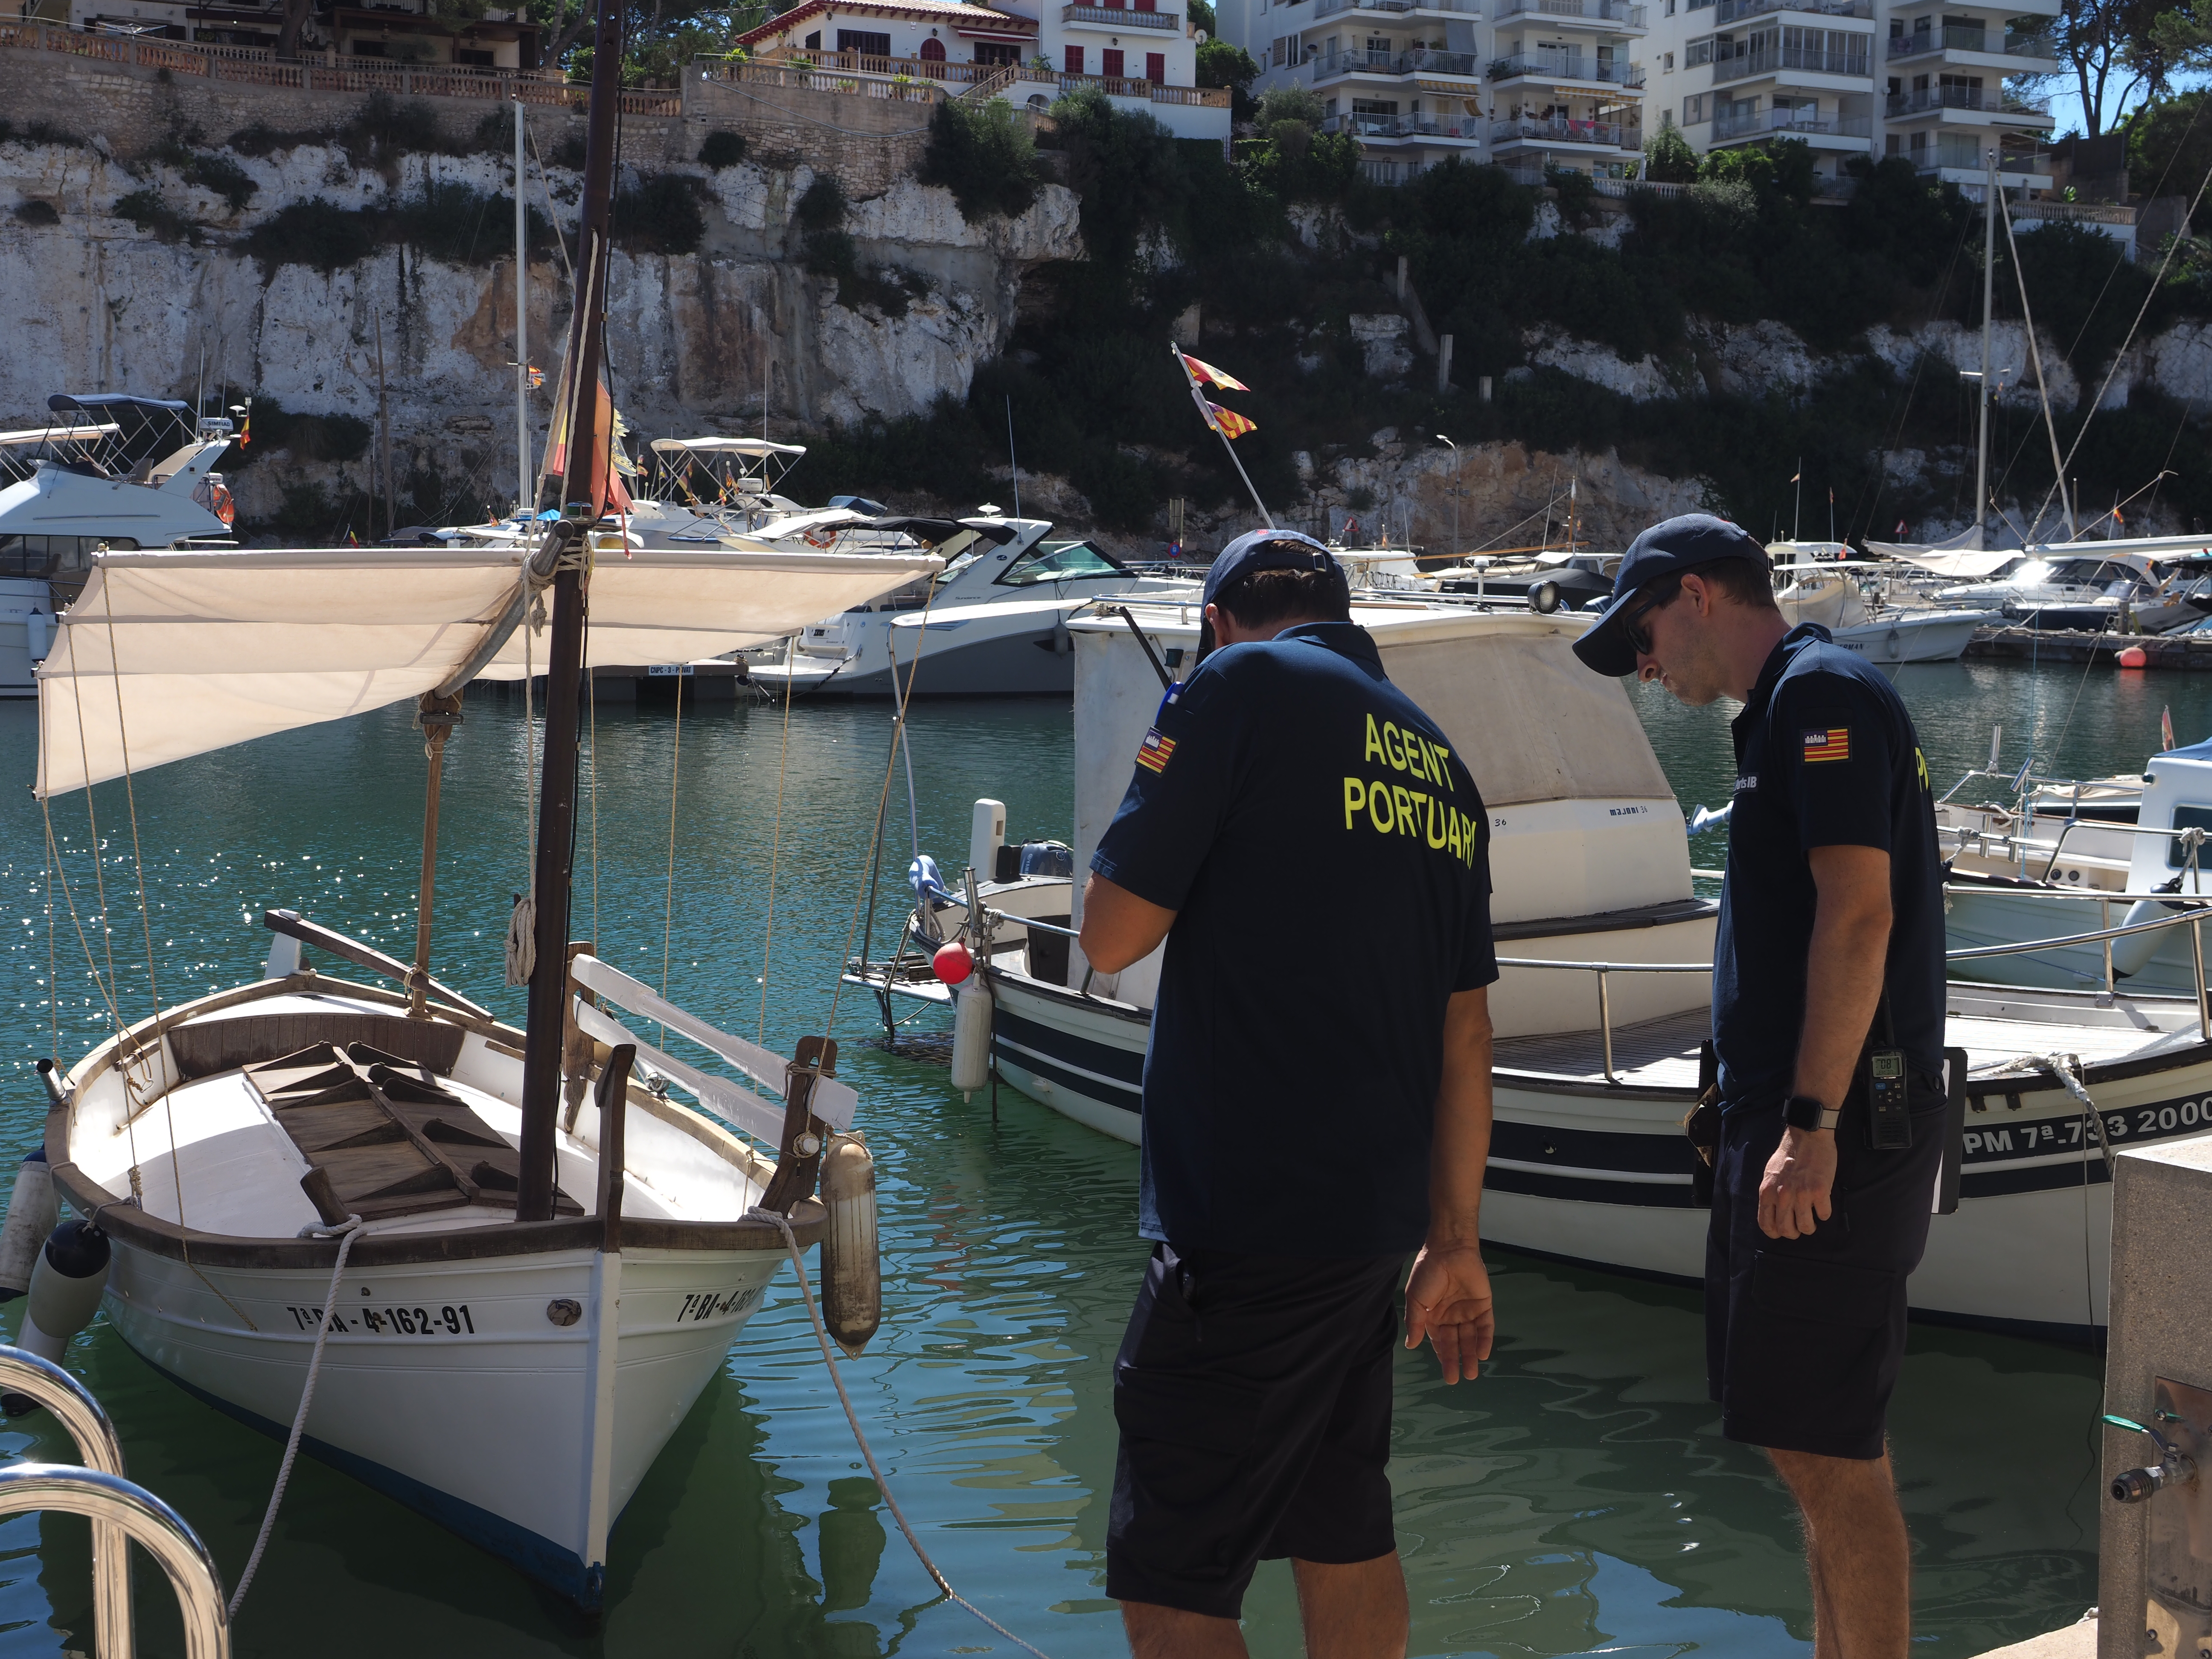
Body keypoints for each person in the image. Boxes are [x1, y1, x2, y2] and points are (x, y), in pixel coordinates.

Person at [1077, 529, 1499, 1659]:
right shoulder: (1437, 761)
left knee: (1174, 1578)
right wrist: (1454, 1243)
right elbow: (1468, 1030)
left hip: (1244, 1228)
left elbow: (1111, 938)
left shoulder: (1237, 685)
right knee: (1343, 1531)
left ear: (1218, 623)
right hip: (1373, 1240)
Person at [1572, 514, 1948, 1659]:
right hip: (1799, 1124)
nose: (1642, 668)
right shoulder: (1790, 707)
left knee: (1831, 1453)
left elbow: (1861, 912)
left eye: (1639, 637)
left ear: (1695, 595)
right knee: (1813, 1441)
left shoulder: (1817, 696)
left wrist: (1811, 1125)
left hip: (1830, 1133)